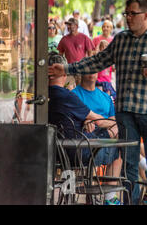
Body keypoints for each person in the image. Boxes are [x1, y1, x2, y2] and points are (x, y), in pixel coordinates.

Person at [48, 0, 147, 205]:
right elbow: (96, 61)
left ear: (146, 15)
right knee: (129, 162)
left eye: (133, 13)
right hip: (126, 111)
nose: (128, 17)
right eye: (126, 13)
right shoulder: (120, 40)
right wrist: (66, 68)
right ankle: (130, 201)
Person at [47, 53, 122, 205]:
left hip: (54, 153)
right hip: (77, 154)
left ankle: (75, 198)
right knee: (117, 152)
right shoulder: (68, 96)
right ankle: (109, 199)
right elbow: (99, 121)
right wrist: (117, 124)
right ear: (64, 72)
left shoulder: (43, 96)